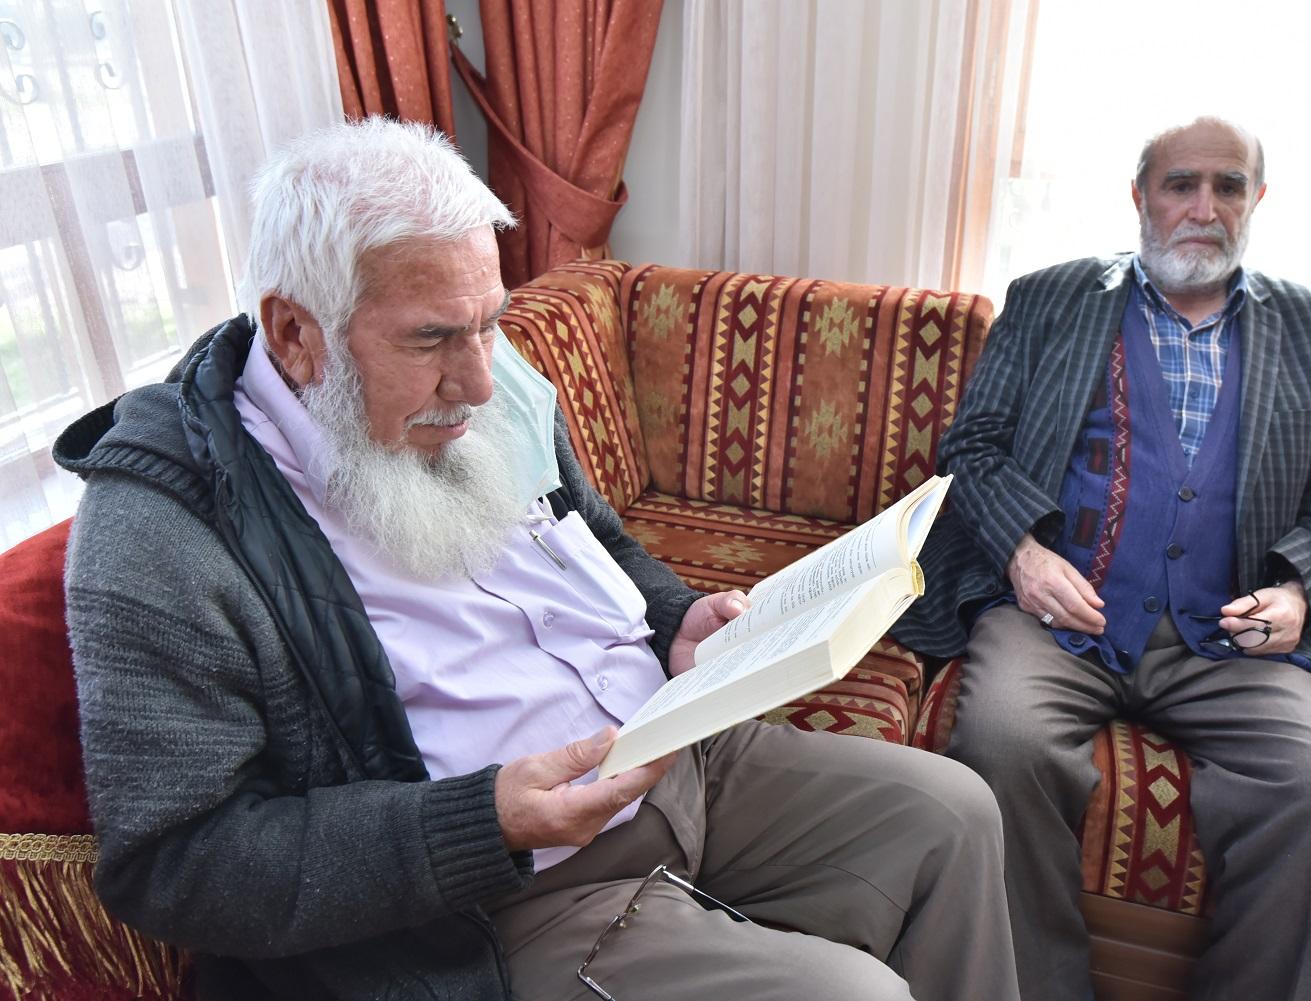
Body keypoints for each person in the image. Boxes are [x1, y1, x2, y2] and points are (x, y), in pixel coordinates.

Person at [56, 118, 1018, 1001]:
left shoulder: (490, 380)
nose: (480, 379)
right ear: (295, 333)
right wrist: (481, 824)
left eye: (489, 321)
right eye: (433, 338)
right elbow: (175, 866)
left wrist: (675, 616)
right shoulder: (163, 528)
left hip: (680, 756)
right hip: (496, 904)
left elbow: (593, 538)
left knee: (954, 812)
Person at [893, 116, 1311, 1001]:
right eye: (1180, 185)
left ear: (1256, 199)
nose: (1204, 207)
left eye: (1228, 186)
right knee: (1003, 743)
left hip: (1233, 639)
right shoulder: (1049, 299)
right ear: (1140, 196)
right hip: (1057, 618)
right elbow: (971, 449)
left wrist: (1295, 592)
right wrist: (1021, 555)